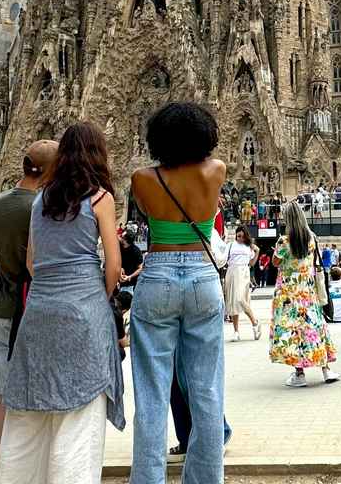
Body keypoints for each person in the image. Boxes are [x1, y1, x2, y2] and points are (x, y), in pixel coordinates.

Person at [0, 121, 123, 484]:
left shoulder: (40, 200)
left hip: (39, 310)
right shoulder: (99, 198)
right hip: (83, 309)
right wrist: (97, 295)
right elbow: (113, 265)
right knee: (78, 416)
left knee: (27, 415)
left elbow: (32, 263)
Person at [128, 103, 226, 484]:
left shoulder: (142, 178)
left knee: (152, 393)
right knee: (207, 390)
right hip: (202, 276)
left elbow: (143, 213)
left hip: (158, 274)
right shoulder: (216, 171)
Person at [0, 141, 54, 484]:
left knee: (3, 398)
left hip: (3, 309)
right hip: (28, 312)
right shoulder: (38, 208)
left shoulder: (1, 204)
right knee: (31, 405)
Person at [269, 200, 340, 388]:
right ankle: (326, 369)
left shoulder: (284, 241)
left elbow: (275, 262)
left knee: (294, 331)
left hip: (288, 294)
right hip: (308, 292)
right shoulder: (312, 239)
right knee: (315, 327)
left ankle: (299, 373)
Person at [222, 227, 260, 341]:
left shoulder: (249, 246)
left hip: (243, 272)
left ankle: (255, 322)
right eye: (239, 236)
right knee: (232, 302)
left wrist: (257, 252)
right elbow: (223, 259)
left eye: (243, 236)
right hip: (232, 271)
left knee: (240, 299)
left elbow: (252, 263)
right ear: (235, 235)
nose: (241, 239)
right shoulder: (230, 245)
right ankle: (236, 331)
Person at [119, 227, 145, 293]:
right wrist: (119, 268)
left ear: (126, 240)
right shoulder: (119, 246)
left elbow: (140, 268)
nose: (120, 238)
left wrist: (129, 276)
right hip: (118, 281)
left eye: (122, 237)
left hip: (130, 284)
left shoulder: (136, 251)